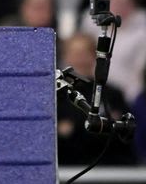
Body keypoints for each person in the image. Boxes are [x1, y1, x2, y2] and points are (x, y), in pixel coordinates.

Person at [56, 33, 135, 165]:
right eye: (75, 53)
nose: (80, 58)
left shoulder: (112, 94)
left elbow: (123, 136)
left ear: (94, 57)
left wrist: (73, 129)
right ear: (65, 56)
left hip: (108, 167)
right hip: (67, 168)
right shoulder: (56, 95)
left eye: (84, 52)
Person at [80, 0, 146, 103]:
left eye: (124, 3)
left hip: (127, 94)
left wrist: (129, 99)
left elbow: (140, 71)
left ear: (133, 6)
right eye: (114, 2)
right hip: (92, 92)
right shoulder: (90, 26)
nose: (119, 7)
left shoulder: (144, 35)